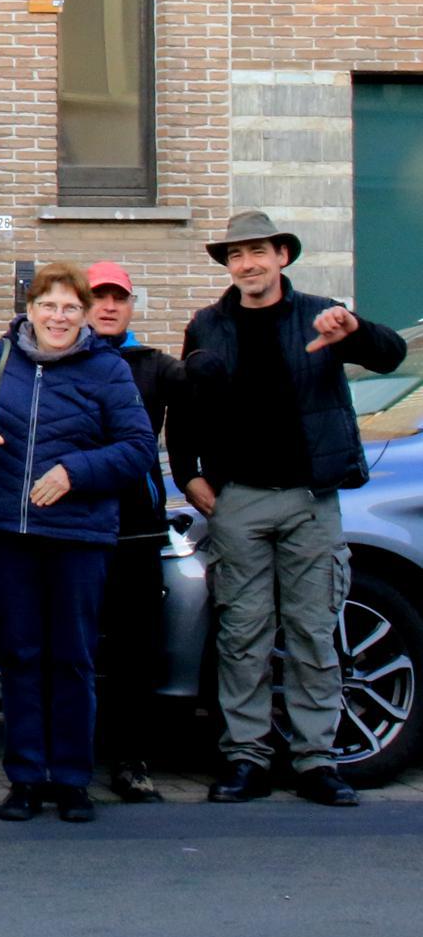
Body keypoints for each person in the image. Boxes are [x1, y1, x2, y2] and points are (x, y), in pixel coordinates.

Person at [171, 210, 409, 807]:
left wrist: (353, 330)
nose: (246, 264)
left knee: (314, 633)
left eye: (257, 252)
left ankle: (315, 761)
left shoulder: (321, 313)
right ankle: (246, 759)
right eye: (235, 256)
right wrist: (187, 476)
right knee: (242, 637)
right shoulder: (208, 324)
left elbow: (391, 355)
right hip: (239, 500)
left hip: (311, 499)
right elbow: (186, 407)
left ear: (282, 256)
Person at [0, 261, 155, 824]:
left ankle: (74, 780)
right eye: (48, 306)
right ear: (30, 310)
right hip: (8, 532)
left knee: (73, 658)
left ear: (83, 316)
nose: (59, 317)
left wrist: (74, 472)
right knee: (21, 655)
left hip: (79, 536)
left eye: (70, 308)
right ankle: (26, 778)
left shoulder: (107, 369)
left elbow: (137, 447)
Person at [83, 260, 187, 803]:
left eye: (117, 298)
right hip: (74, 525)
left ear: (130, 306)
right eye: (97, 297)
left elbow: (201, 396)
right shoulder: (61, 361)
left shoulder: (152, 365)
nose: (108, 306)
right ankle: (73, 756)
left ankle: (132, 759)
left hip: (136, 529)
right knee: (75, 646)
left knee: (133, 649)